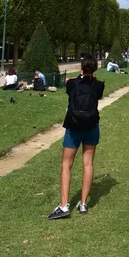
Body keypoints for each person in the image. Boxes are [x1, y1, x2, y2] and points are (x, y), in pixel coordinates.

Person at [47, 54, 105, 219]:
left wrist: (78, 76)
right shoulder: (99, 86)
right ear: (95, 68)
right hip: (92, 126)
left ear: (81, 67)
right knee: (88, 164)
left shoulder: (72, 84)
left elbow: (71, 87)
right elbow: (94, 88)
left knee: (66, 165)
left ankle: (64, 206)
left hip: (73, 126)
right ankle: (83, 203)